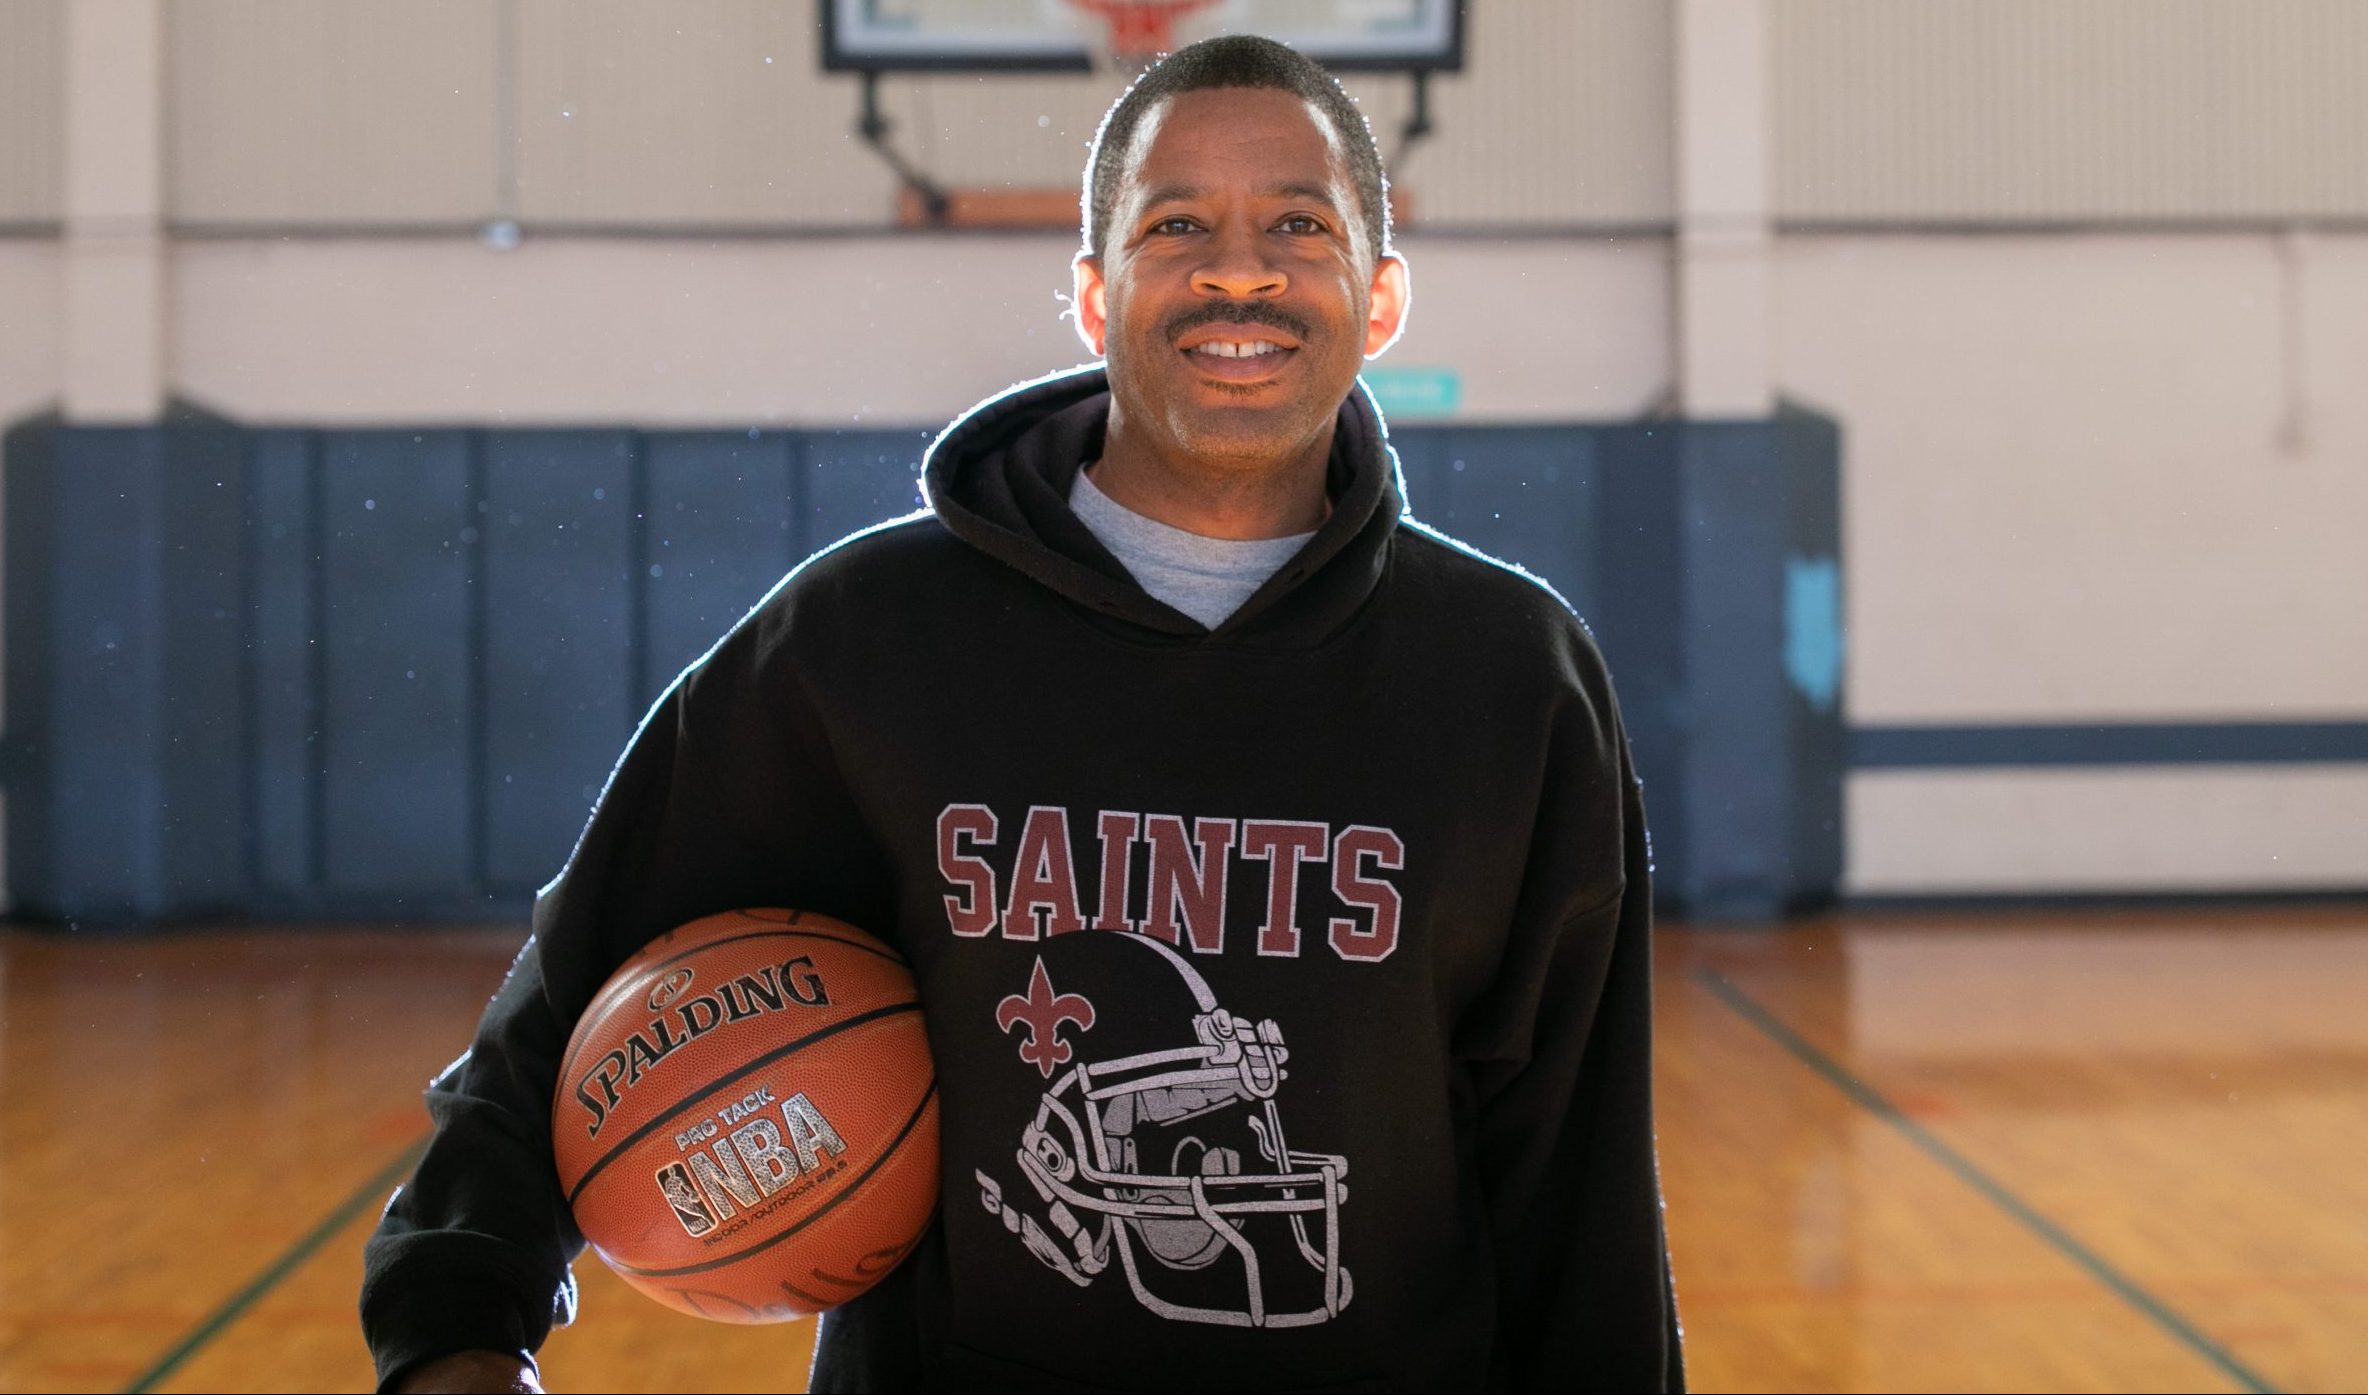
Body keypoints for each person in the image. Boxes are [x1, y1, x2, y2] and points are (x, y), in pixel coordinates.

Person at [362, 34, 1683, 1394]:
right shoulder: (867, 642)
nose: (1241, 269)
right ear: (1096, 297)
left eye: (1298, 222)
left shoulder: (1510, 678)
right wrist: (455, 1317)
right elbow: (586, 974)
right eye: (1180, 227)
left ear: (1382, 296)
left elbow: (1574, 1173)